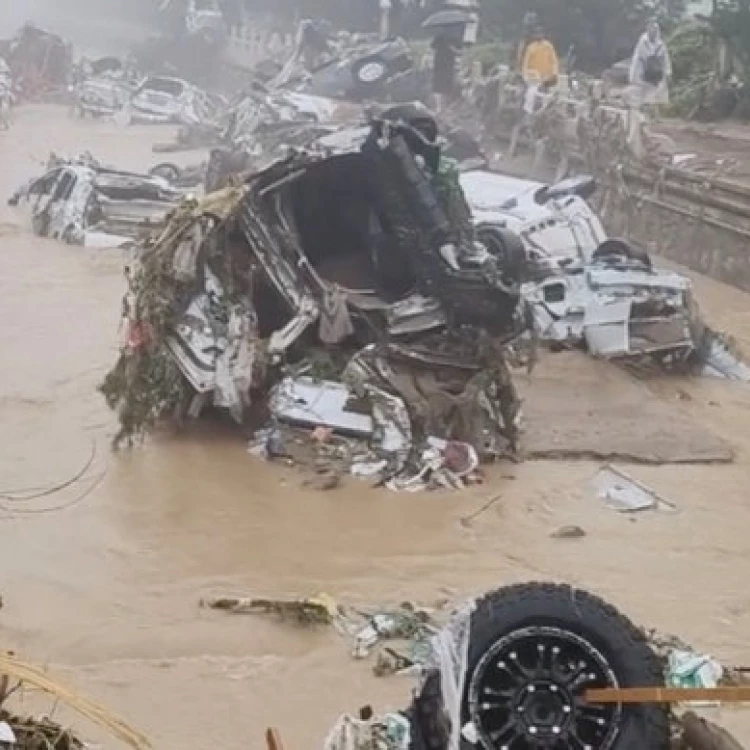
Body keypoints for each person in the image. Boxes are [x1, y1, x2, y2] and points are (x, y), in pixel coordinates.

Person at [629, 18, 671, 112]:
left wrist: (668, 71)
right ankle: (642, 109)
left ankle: (654, 113)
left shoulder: (661, 44)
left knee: (656, 92)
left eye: (655, 30)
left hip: (656, 72)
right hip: (642, 71)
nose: (653, 32)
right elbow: (637, 58)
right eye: (651, 29)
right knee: (643, 91)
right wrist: (633, 73)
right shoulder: (642, 42)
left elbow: (665, 58)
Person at [521, 25, 559, 90]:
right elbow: (525, 63)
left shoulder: (548, 46)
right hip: (534, 78)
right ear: (534, 35)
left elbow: (554, 61)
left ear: (543, 34)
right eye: (537, 34)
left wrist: (554, 73)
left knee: (546, 95)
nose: (539, 35)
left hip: (546, 78)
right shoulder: (531, 47)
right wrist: (525, 75)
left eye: (540, 33)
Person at [431, 32, 460, 112]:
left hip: (439, 73)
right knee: (446, 91)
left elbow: (435, 64)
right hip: (447, 73)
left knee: (439, 91)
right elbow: (454, 60)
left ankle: (440, 108)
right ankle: (444, 107)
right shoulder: (449, 50)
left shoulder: (437, 52)